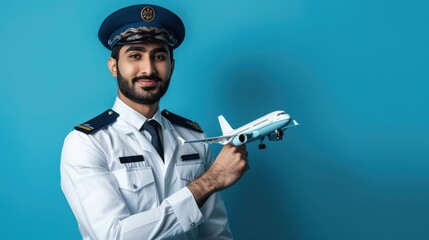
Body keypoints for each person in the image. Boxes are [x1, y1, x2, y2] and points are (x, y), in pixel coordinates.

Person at [60, 4, 249, 240]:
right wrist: (209, 181)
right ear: (113, 67)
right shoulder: (87, 143)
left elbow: (216, 233)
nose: (148, 69)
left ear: (172, 65)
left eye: (159, 56)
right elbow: (113, 236)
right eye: (135, 56)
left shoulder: (194, 137)